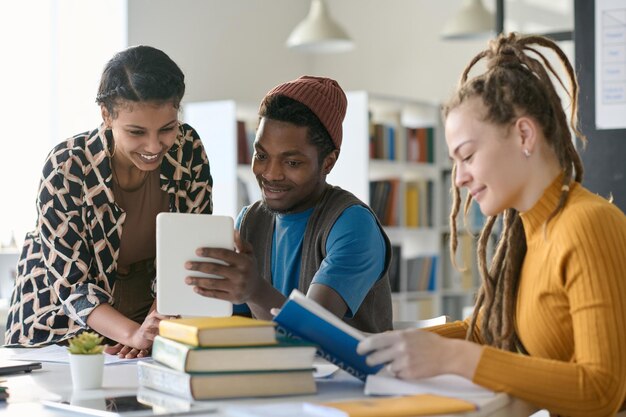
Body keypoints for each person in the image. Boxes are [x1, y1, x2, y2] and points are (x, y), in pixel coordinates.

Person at [357, 32, 626, 417]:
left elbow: (603, 391)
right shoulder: (524, 236)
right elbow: (486, 332)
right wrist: (387, 344)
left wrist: (453, 356)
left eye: (466, 156)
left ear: (523, 134)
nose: (459, 178)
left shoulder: (588, 226)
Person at [5, 46, 213, 358]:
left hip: (145, 310)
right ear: (106, 114)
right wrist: (134, 333)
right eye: (136, 131)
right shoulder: (67, 167)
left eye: (167, 128)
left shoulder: (188, 149)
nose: (155, 146)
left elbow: (187, 255)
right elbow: (71, 286)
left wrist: (155, 326)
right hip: (58, 319)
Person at [184, 75, 393, 333]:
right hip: (268, 370)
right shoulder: (250, 220)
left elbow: (313, 333)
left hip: (348, 373)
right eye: (261, 155)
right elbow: (234, 328)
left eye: (292, 163)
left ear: (327, 162)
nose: (270, 174)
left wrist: (254, 290)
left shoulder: (352, 224)